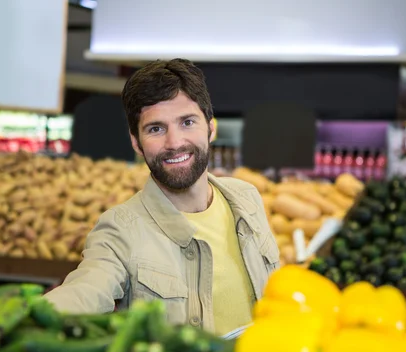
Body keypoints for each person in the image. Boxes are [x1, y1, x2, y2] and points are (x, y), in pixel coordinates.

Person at [44, 58, 280, 336]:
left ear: (210, 127)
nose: (174, 142)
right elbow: (86, 288)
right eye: (156, 129)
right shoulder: (120, 229)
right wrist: (31, 320)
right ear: (136, 143)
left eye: (187, 122)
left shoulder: (246, 198)